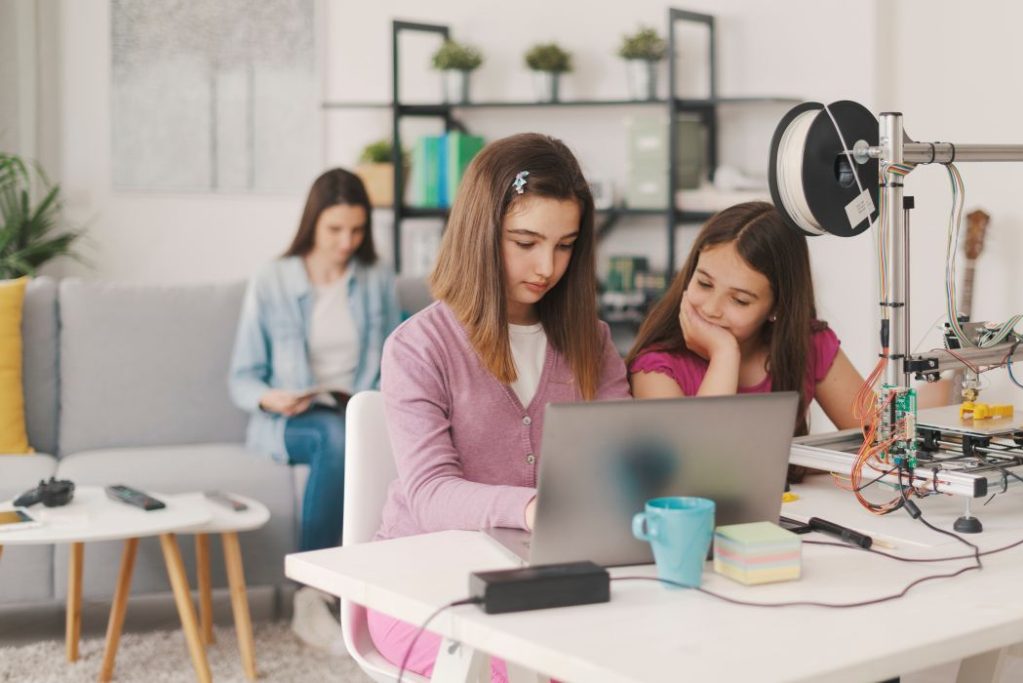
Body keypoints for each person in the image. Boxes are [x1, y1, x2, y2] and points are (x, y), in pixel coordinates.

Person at [367, 133, 630, 680]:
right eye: (525, 241)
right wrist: (535, 508)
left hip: (546, 579)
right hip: (423, 586)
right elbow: (432, 495)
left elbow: (619, 461)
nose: (547, 266)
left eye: (565, 245)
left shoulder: (593, 341)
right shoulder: (418, 347)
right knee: (541, 669)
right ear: (481, 233)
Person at [228, 168, 400, 648]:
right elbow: (242, 378)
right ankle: (313, 593)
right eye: (335, 230)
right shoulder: (272, 279)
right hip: (291, 420)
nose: (347, 241)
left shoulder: (375, 278)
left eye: (358, 230)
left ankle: (378, 591)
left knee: (351, 431)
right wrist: (271, 396)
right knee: (337, 437)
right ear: (312, 224)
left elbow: (393, 356)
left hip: (355, 409)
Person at [627, 201, 863, 442]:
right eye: (704, 284)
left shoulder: (810, 344)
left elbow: (882, 444)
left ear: (777, 307)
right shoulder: (656, 368)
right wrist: (724, 354)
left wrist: (799, 466)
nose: (710, 309)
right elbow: (692, 468)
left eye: (739, 300)